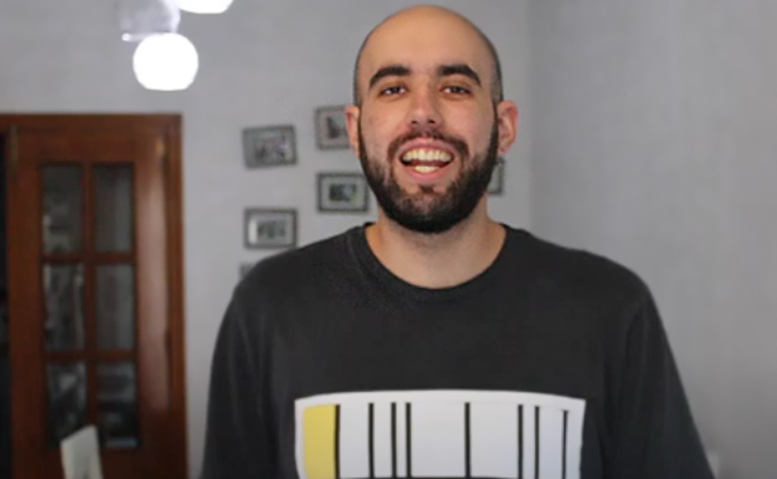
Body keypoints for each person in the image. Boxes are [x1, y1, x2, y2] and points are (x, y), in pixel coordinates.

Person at [201, 5, 713, 479]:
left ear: (503, 127)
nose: (424, 113)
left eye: (455, 88)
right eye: (393, 89)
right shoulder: (271, 305)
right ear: (355, 131)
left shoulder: (611, 307)